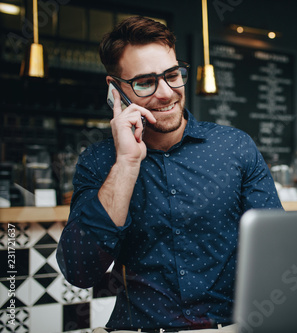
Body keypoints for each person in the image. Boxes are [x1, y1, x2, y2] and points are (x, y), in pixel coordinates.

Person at [56, 16, 283, 331]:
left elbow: (277, 250)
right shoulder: (99, 161)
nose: (166, 93)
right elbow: (80, 272)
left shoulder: (235, 146)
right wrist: (126, 163)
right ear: (115, 90)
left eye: (173, 75)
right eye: (145, 82)